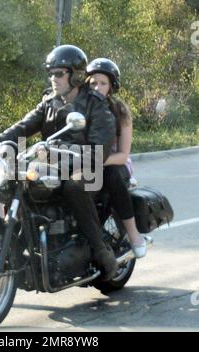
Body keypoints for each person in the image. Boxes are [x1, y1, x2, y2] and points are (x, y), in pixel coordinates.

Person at [0, 45, 118, 280]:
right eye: (51, 73)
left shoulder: (95, 105)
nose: (53, 78)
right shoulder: (49, 103)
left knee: (73, 186)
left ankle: (101, 251)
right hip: (51, 165)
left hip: (88, 169)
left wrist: (64, 153)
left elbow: (99, 150)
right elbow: (22, 127)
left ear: (76, 75)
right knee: (14, 179)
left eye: (59, 73)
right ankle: (19, 245)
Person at [86, 58, 147, 258]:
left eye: (102, 83)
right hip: (86, 162)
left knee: (111, 174)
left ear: (111, 86)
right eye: (93, 82)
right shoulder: (80, 107)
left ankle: (133, 233)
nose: (97, 87)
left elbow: (123, 155)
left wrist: (99, 160)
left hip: (114, 163)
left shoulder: (120, 112)